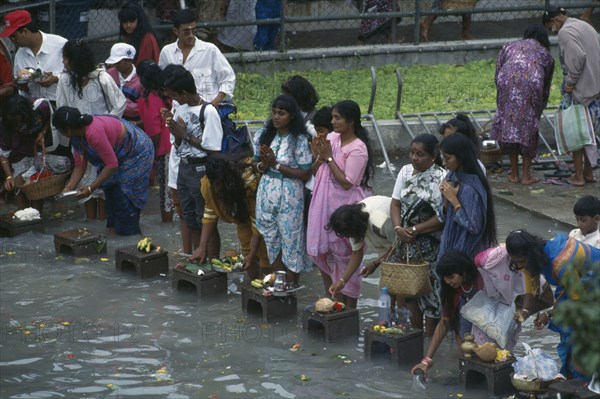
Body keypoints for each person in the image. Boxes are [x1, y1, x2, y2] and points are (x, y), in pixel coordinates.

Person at [506, 230, 600, 380]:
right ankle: (571, 377)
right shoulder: (530, 258)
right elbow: (530, 284)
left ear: (531, 255)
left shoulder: (560, 262)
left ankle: (584, 384)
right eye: (515, 261)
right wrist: (525, 310)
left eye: (521, 261)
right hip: (575, 286)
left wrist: (549, 313)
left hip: (593, 287)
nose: (519, 265)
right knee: (568, 336)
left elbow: (577, 303)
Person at [307, 100, 374, 308]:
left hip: (345, 207)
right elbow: (315, 171)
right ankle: (333, 303)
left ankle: (350, 309)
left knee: (347, 254)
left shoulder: (358, 148)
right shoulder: (332, 138)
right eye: (333, 117)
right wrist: (318, 155)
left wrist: (328, 158)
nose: (333, 121)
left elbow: (347, 183)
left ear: (351, 122)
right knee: (326, 255)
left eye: (338, 118)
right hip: (323, 204)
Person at [376, 133, 446, 335]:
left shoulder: (441, 177)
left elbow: (441, 217)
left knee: (431, 294)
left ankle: (430, 337)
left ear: (433, 156)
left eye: (420, 154)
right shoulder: (405, 172)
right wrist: (398, 228)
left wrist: (415, 230)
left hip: (429, 244)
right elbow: (395, 203)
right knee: (408, 292)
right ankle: (413, 334)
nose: (414, 158)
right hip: (405, 242)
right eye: (412, 153)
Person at [52, 106, 153, 235]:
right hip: (115, 157)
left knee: (124, 198)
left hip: (135, 153)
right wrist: (68, 188)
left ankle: (129, 236)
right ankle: (114, 234)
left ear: (67, 129)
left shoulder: (93, 132)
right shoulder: (77, 137)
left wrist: (90, 188)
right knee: (110, 195)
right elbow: (80, 165)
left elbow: (111, 165)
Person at [56, 39, 126, 221]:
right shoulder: (64, 81)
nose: (63, 62)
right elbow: (62, 107)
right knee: (85, 181)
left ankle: (102, 223)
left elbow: (119, 104)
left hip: (103, 140)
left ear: (74, 60)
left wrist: (107, 126)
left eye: (65, 58)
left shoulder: (102, 78)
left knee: (103, 184)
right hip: (79, 140)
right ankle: (91, 224)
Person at [161, 65, 223, 254]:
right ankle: (198, 259)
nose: (173, 100)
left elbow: (213, 149)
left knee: (206, 218)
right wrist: (175, 130)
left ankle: (211, 260)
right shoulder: (180, 108)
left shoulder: (209, 112)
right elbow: (177, 145)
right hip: (184, 169)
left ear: (184, 93)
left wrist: (185, 135)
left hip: (201, 171)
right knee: (190, 218)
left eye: (174, 95)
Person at [252, 95, 313, 286]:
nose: (276, 117)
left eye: (282, 113)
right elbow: (255, 162)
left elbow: (304, 174)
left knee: (291, 240)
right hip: (267, 191)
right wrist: (263, 165)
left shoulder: (299, 140)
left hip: (290, 195)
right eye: (274, 112)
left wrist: (276, 165)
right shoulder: (265, 134)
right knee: (272, 238)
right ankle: (279, 282)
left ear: (292, 116)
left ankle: (292, 286)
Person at [489, 25, 555, 185]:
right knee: (529, 128)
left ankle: (514, 174)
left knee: (510, 125)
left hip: (506, 81)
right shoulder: (546, 55)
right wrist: (539, 109)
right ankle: (526, 176)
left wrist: (503, 97)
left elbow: (498, 72)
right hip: (532, 84)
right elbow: (546, 86)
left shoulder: (509, 46)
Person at [543, 7, 600, 186]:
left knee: (576, 134)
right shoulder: (584, 25)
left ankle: (578, 176)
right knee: (589, 135)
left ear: (554, 20)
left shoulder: (565, 32)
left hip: (581, 91)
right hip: (596, 89)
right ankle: (588, 173)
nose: (553, 31)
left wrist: (569, 84)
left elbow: (576, 59)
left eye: (550, 27)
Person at [190, 155, 271, 280]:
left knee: (264, 253)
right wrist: (202, 246)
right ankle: (254, 283)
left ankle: (268, 284)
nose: (217, 189)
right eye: (215, 185)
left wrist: (253, 253)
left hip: (262, 213)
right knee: (246, 249)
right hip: (242, 217)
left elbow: (257, 222)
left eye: (219, 185)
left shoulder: (248, 183)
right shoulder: (207, 184)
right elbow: (210, 214)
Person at [1, 94, 71, 211]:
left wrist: (43, 132)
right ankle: (22, 217)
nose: (18, 125)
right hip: (19, 153)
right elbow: (3, 154)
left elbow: (51, 118)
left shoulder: (40, 107)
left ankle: (37, 217)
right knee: (20, 185)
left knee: (35, 185)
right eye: (15, 123)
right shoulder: (5, 127)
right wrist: (9, 176)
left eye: (20, 120)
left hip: (39, 149)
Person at [158, 8, 236, 109]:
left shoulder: (210, 50)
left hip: (207, 108)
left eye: (193, 30)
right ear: (176, 31)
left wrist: (216, 101)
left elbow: (228, 78)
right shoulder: (167, 52)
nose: (191, 35)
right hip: (179, 111)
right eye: (186, 32)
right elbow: (162, 83)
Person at [439, 133, 497, 260]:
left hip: (467, 250)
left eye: (447, 158)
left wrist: (454, 201)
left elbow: (474, 226)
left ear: (460, 157)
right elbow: (443, 216)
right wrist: (446, 201)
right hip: (449, 243)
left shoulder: (471, 188)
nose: (444, 163)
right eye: (443, 157)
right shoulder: (451, 176)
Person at [1, 10, 67, 103]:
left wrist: (56, 79)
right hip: (34, 107)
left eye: (13, 37)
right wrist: (22, 83)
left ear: (25, 31)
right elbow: (21, 88)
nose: (12, 41)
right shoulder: (20, 54)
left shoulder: (60, 44)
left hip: (61, 103)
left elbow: (79, 73)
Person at [136, 60, 174, 224]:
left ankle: (167, 222)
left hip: (164, 148)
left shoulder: (149, 99)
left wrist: (152, 155)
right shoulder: (165, 94)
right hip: (175, 144)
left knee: (166, 191)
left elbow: (154, 132)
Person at [105, 43, 142, 124]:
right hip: (111, 119)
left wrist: (137, 123)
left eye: (118, 62)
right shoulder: (109, 74)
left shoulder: (141, 79)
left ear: (129, 60)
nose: (115, 65)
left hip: (134, 122)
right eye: (114, 62)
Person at [118, 1, 160, 65]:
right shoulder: (127, 36)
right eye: (124, 21)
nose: (128, 25)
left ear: (139, 20)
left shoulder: (147, 38)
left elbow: (142, 67)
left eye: (132, 21)